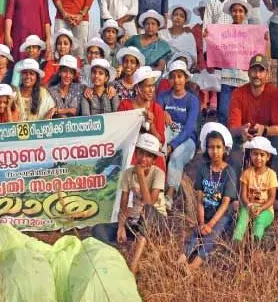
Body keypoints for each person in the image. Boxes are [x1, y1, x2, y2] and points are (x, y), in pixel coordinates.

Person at [91, 133, 167, 275]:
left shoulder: (158, 174)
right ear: (136, 153)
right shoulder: (127, 173)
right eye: (141, 153)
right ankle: (120, 255)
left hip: (156, 223)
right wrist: (121, 227)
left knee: (148, 211)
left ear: (154, 160)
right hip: (134, 222)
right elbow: (124, 204)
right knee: (97, 229)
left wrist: (140, 175)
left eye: (149, 155)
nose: (144, 158)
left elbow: (149, 203)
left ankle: (134, 265)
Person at [177, 124, 236, 270]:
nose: (214, 151)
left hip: (222, 216)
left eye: (218, 147)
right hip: (206, 213)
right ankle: (181, 260)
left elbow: (225, 203)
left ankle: (192, 267)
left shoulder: (229, 172)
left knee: (211, 238)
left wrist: (210, 225)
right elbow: (200, 199)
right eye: (211, 147)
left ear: (224, 149)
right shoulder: (203, 169)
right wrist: (203, 222)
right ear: (206, 149)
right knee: (196, 233)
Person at [228, 54, 278, 170]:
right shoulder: (238, 93)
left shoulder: (274, 94)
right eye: (254, 70)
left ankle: (276, 187)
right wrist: (242, 130)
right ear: (248, 72)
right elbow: (232, 129)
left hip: (266, 136)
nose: (257, 75)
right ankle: (234, 188)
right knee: (234, 156)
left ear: (267, 74)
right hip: (245, 136)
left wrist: (264, 130)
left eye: (261, 71)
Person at [157, 60, 200, 208]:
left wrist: (172, 146)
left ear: (186, 78)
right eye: (173, 76)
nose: (176, 80)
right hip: (168, 132)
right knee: (157, 149)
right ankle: (154, 189)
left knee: (175, 156)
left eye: (180, 76)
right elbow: (156, 114)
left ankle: (169, 193)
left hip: (186, 138)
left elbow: (189, 129)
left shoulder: (192, 100)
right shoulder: (163, 96)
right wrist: (162, 112)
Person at [213, 0, 256, 125]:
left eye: (240, 11)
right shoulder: (224, 32)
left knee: (243, 112)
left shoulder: (252, 33)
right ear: (231, 12)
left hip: (244, 79)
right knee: (224, 112)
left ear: (245, 13)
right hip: (227, 78)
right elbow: (217, 48)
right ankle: (225, 140)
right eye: (234, 11)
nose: (237, 14)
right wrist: (209, 37)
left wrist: (264, 39)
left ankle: (242, 141)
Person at [118, 66, 166, 171]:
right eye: (147, 86)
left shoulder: (157, 109)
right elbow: (120, 135)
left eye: (153, 86)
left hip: (151, 152)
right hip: (131, 151)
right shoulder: (125, 106)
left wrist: (151, 124)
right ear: (137, 88)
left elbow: (160, 142)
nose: (151, 90)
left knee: (158, 162)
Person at [232, 136, 278, 243]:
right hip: (249, 206)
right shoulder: (247, 173)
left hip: (266, 209)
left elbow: (272, 198)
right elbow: (243, 195)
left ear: (268, 157)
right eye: (255, 154)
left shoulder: (271, 174)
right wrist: (249, 205)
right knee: (242, 220)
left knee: (260, 221)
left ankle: (256, 242)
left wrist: (261, 208)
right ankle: (236, 242)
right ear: (250, 154)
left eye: (262, 155)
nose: (258, 157)